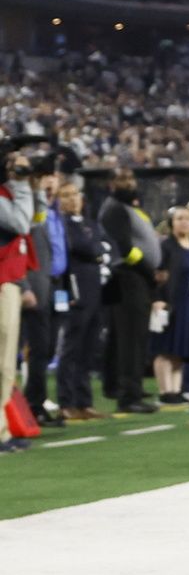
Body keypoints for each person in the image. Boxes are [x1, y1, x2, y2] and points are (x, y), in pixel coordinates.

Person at [97, 168, 159, 414]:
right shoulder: (114, 208)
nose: (129, 183)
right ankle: (129, 396)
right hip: (128, 278)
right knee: (131, 339)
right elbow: (123, 247)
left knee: (122, 338)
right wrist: (147, 270)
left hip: (134, 279)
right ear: (112, 184)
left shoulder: (128, 207)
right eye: (122, 179)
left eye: (131, 179)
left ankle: (118, 386)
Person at [54, 180, 110, 420]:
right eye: (65, 195)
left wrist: (98, 250)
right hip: (74, 292)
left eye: (75, 194)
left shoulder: (89, 223)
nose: (72, 199)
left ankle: (84, 401)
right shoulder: (62, 225)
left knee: (89, 348)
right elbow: (87, 247)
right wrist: (98, 251)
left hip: (95, 291)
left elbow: (106, 246)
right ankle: (66, 402)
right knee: (71, 348)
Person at [0, 150, 40, 453]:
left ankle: (1, 429)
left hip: (8, 280)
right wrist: (23, 184)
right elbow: (20, 222)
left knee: (5, 362)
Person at [21, 170, 66, 427]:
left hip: (55, 285)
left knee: (46, 348)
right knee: (37, 348)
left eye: (53, 178)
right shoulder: (33, 214)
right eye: (44, 179)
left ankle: (35, 403)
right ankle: (32, 406)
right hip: (34, 288)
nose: (50, 184)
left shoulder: (57, 213)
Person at [151, 205, 189, 405]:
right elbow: (158, 275)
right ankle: (165, 391)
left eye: (187, 218)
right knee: (165, 347)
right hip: (170, 302)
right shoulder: (166, 246)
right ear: (171, 223)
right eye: (179, 218)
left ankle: (176, 390)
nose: (184, 222)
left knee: (180, 348)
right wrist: (158, 299)